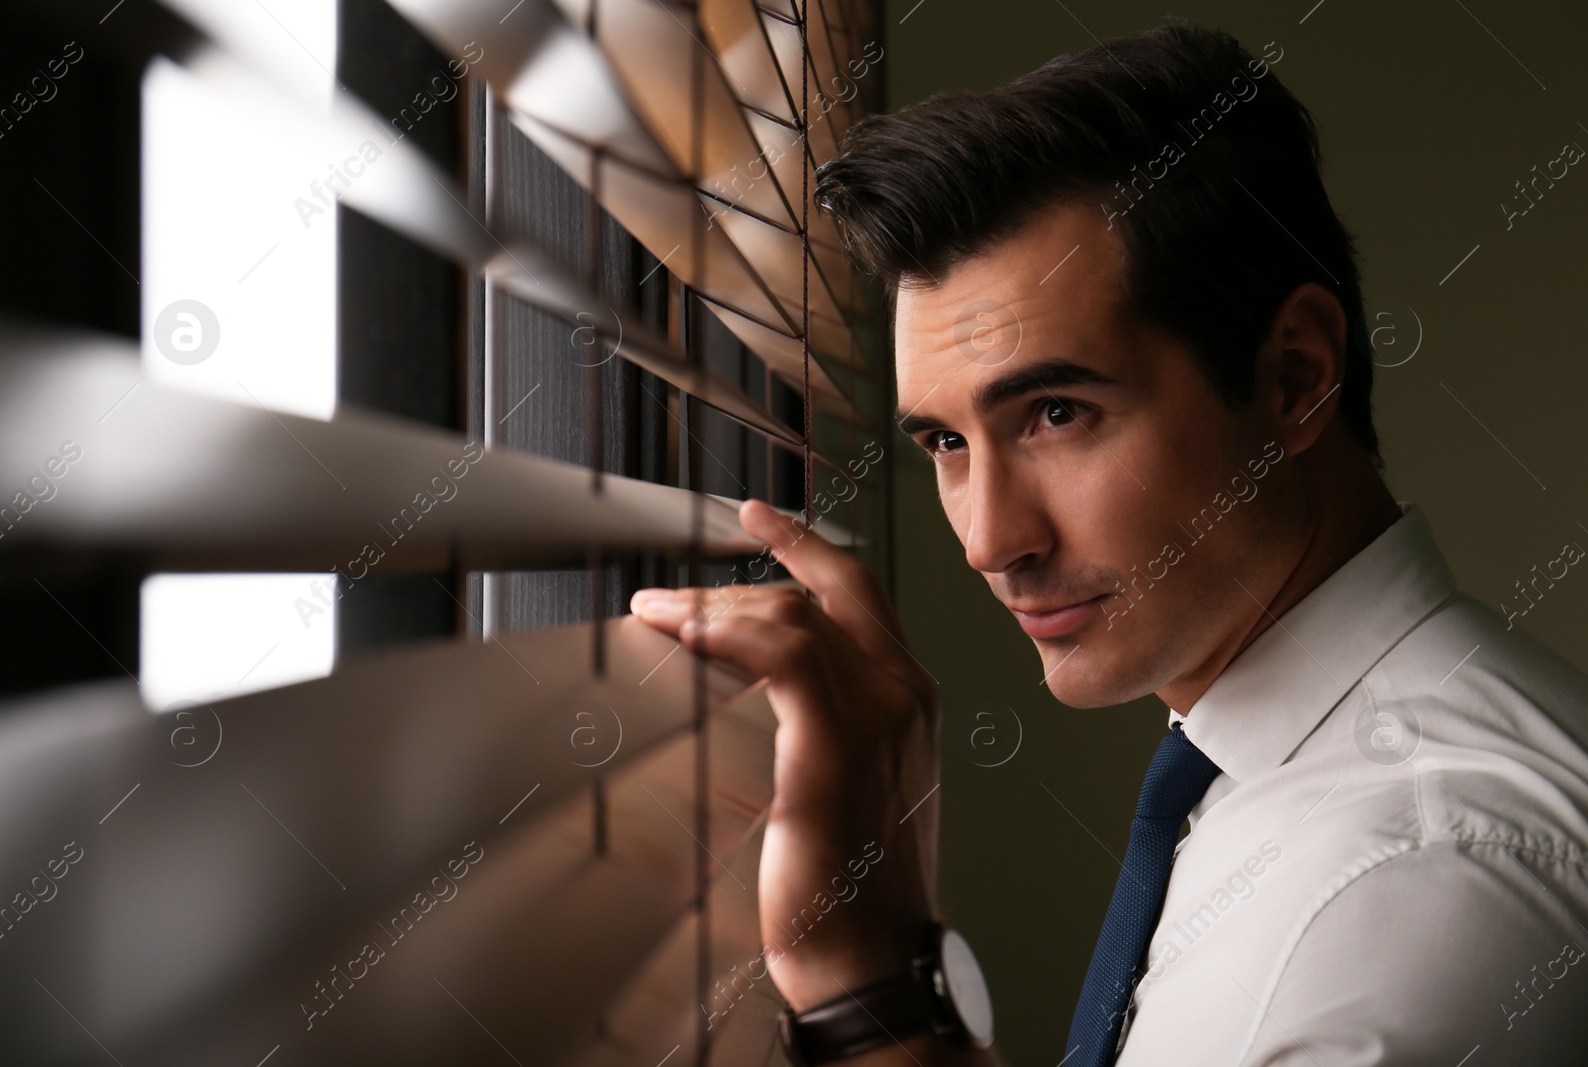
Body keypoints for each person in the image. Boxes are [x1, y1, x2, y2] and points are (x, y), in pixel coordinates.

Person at [632, 19, 1588, 1066]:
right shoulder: (1271, 782)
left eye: (1054, 413)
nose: (990, 540)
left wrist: (858, 986)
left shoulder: (1418, 877)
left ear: (1296, 374)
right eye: (947, 441)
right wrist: (882, 956)